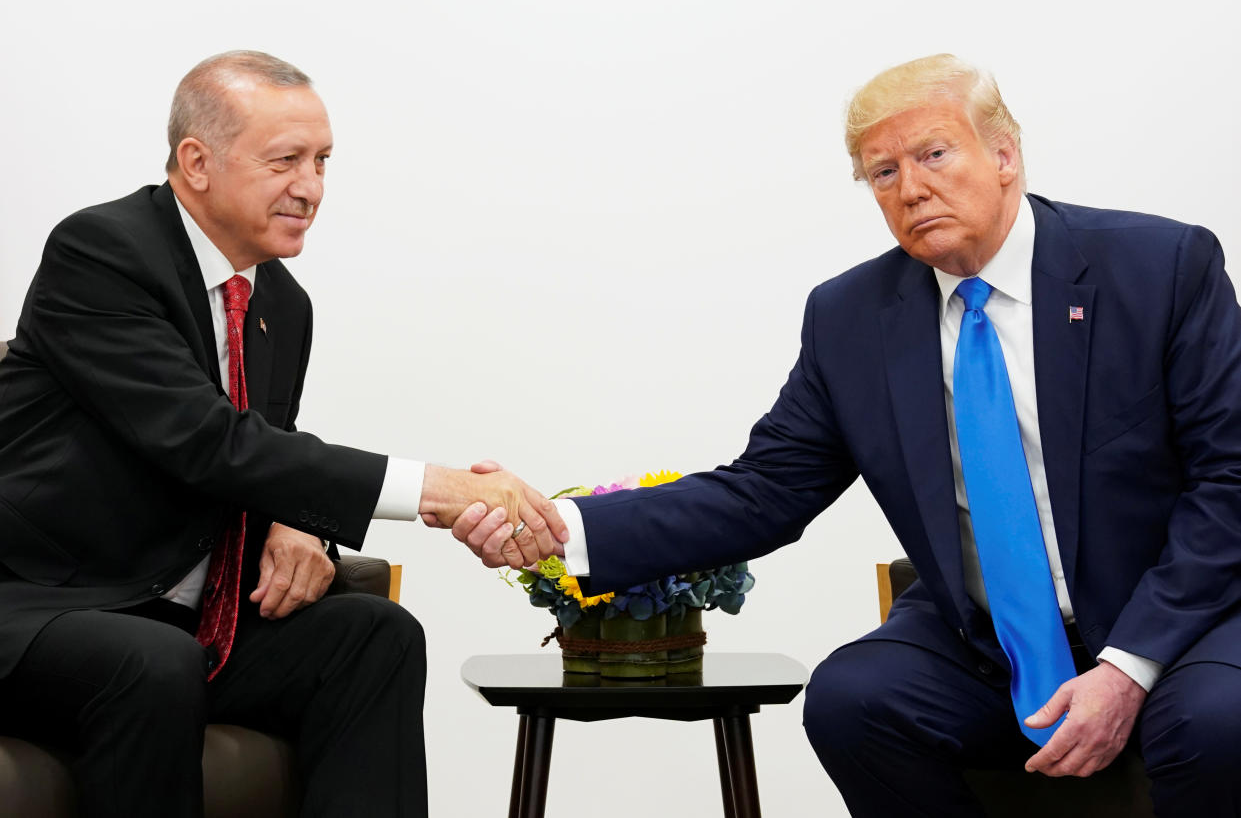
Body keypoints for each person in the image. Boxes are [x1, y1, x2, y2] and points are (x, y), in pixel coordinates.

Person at [454, 53, 1241, 817]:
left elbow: (1228, 482)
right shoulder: (852, 316)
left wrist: (1126, 666)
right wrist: (560, 527)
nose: (911, 188)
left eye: (932, 153)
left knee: (1213, 723)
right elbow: (762, 492)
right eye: (882, 172)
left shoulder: (1161, 267)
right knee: (852, 701)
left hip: (1173, 621)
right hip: (982, 635)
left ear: (1004, 153)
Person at [0, 50, 568, 818]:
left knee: (374, 635)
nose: (310, 187)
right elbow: (203, 439)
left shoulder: (279, 304)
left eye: (322, 161)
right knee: (153, 660)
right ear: (197, 162)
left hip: (172, 611)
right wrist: (440, 489)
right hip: (39, 601)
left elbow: (259, 455)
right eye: (285, 161)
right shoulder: (101, 253)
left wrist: (292, 517)